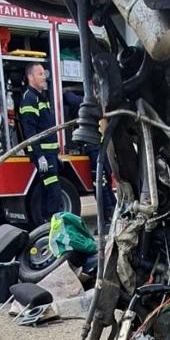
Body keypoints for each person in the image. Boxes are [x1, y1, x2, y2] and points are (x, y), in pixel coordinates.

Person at [63, 89, 115, 226]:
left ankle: (108, 218)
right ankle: (112, 214)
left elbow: (72, 99)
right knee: (105, 183)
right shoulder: (101, 103)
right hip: (100, 145)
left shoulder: (92, 104)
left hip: (95, 146)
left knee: (101, 184)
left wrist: (66, 91)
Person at [19, 62, 63, 222]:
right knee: (53, 191)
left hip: (50, 153)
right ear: (30, 78)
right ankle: (51, 225)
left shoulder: (40, 97)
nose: (44, 77)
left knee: (49, 191)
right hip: (43, 154)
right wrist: (39, 156)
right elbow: (30, 131)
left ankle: (48, 223)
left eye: (44, 74)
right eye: (40, 74)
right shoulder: (30, 99)